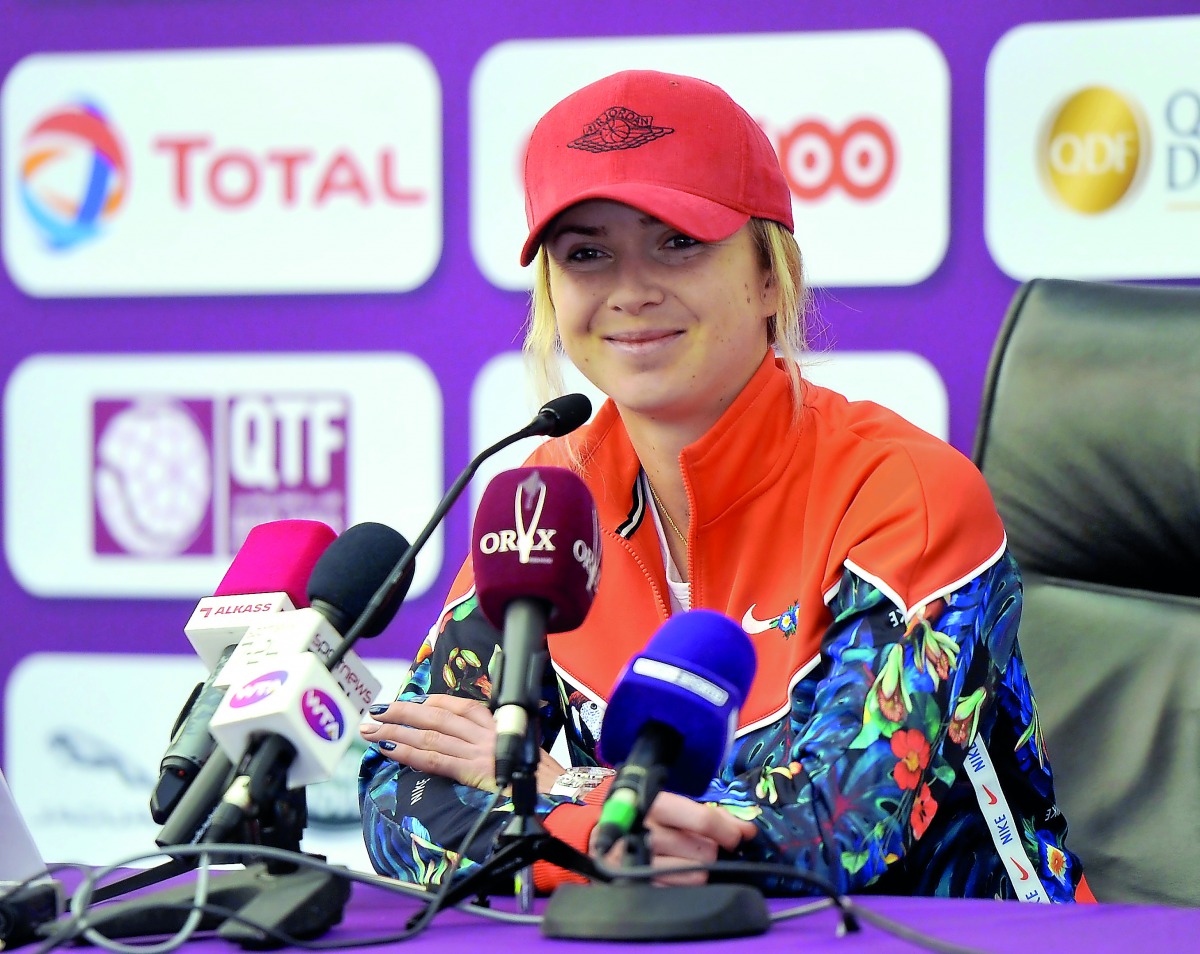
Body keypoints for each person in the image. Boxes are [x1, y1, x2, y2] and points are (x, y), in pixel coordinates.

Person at [359, 69, 1085, 902]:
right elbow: (399, 791)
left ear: (771, 274)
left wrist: (560, 793)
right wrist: (613, 837)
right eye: (587, 254)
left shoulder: (906, 495)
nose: (631, 291)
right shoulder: (548, 501)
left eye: (679, 242)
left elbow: (828, 833)